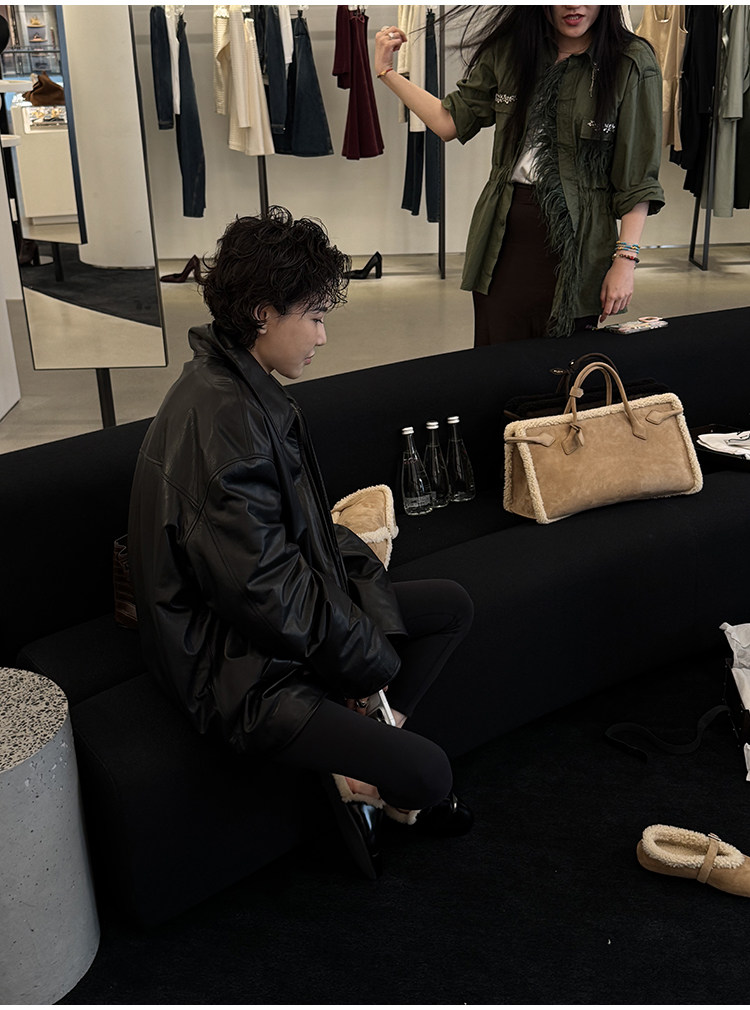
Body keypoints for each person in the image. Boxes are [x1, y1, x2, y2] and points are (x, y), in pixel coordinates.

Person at [128, 207, 474, 881]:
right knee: (430, 776)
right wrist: (362, 663)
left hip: (258, 629)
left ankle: (365, 755)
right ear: (263, 314)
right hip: (231, 666)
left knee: (450, 607)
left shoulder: (239, 387)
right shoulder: (228, 422)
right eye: (314, 316)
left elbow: (310, 533)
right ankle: (362, 766)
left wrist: (361, 605)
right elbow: (267, 595)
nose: (323, 335)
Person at [374, 6, 665, 345]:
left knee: (564, 364)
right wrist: (387, 72)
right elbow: (449, 122)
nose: (573, 5)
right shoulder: (510, 50)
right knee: (498, 360)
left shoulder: (630, 60)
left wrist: (625, 261)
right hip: (503, 239)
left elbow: (636, 177)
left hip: (581, 246)